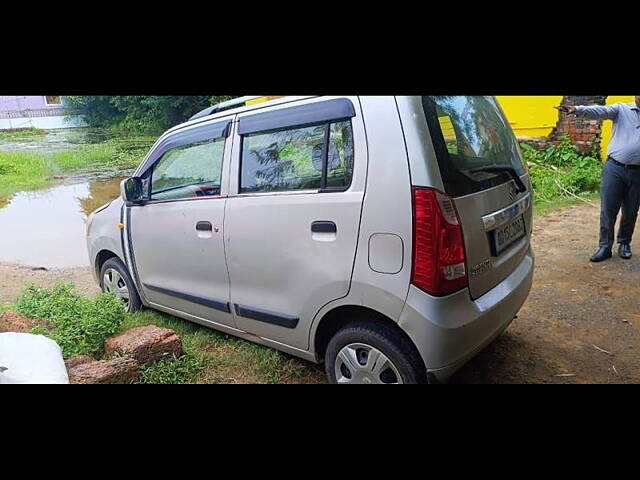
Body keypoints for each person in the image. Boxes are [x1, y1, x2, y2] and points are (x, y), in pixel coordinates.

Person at [556, 97, 640, 262]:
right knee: (608, 210)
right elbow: (601, 111)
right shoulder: (621, 109)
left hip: (638, 173)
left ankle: (624, 243)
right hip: (615, 169)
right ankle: (605, 247)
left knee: (631, 210)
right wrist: (578, 109)